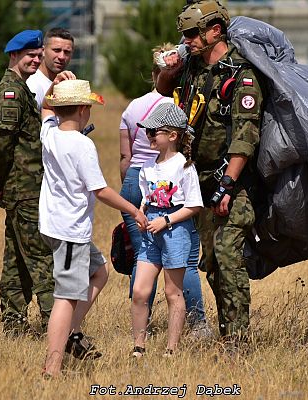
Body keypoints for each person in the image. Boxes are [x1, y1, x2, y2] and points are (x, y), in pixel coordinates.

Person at [157, 0, 265, 343]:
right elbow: (161, 90)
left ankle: (237, 343)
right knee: (213, 265)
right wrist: (171, 67)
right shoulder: (193, 68)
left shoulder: (241, 74)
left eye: (192, 33)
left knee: (228, 257)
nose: (187, 40)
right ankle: (227, 335)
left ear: (215, 30)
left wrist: (228, 186)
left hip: (232, 183)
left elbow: (246, 135)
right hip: (197, 181)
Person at [39, 76, 147, 377]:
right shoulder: (82, 144)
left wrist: (55, 86)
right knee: (66, 297)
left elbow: (45, 109)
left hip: (52, 226)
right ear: (84, 110)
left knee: (99, 271)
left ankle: (71, 332)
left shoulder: (49, 134)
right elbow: (100, 190)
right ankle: (53, 367)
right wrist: (133, 210)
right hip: (69, 230)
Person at [119, 43, 210, 334]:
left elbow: (125, 156)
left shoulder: (133, 107)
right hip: (171, 184)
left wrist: (132, 190)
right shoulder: (177, 106)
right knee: (182, 259)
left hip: (136, 180)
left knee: (143, 256)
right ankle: (196, 322)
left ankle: (141, 325)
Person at [0, 30, 55, 337]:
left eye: (39, 55)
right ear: (13, 55)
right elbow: (0, 143)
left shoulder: (21, 88)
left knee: (16, 258)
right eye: (30, 55)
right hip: (24, 188)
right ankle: (60, 328)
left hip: (23, 188)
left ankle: (14, 325)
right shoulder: (10, 92)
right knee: (41, 257)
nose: (36, 59)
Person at [131, 103, 203, 357]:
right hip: (151, 231)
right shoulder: (147, 166)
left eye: (154, 131)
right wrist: (140, 214)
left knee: (172, 291)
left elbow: (194, 205)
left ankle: (171, 350)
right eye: (147, 131)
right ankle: (138, 347)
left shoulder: (184, 166)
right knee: (140, 291)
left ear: (172, 136)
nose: (149, 136)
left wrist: (167, 220)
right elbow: (146, 197)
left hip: (175, 231)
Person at [27, 27, 74, 110]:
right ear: (43, 51)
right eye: (57, 50)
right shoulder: (33, 85)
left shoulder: (63, 84)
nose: (62, 57)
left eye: (67, 52)